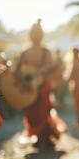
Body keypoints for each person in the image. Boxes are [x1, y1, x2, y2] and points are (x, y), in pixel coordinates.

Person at [16, 20, 66, 150]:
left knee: (44, 111)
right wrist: (24, 81)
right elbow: (17, 71)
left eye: (39, 33)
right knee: (32, 113)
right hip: (29, 87)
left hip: (43, 86)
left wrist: (45, 69)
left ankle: (45, 138)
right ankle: (39, 137)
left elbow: (51, 68)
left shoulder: (46, 51)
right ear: (31, 35)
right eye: (35, 33)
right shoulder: (25, 52)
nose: (37, 36)